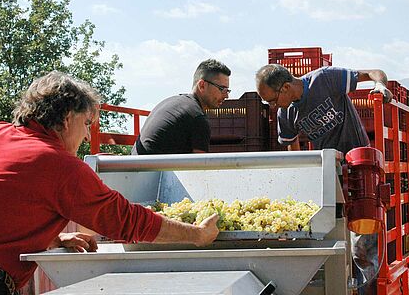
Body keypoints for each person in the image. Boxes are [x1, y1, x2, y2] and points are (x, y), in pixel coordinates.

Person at [0, 71, 219, 295]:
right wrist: (196, 234)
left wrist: (52, 239)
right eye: (87, 123)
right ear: (67, 119)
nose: (89, 136)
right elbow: (125, 220)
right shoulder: (58, 164)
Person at [255, 64, 393, 295]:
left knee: (364, 245)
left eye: (272, 100)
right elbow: (293, 147)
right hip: (330, 176)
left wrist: (380, 85)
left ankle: (365, 291)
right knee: (334, 239)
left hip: (360, 171)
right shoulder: (286, 113)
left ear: (286, 87)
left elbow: (373, 72)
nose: (273, 106)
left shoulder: (325, 79)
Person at [131, 59, 231, 155]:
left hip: (134, 167)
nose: (226, 96)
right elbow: (200, 168)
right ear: (202, 85)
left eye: (227, 90)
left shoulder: (172, 102)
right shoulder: (197, 117)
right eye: (222, 89)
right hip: (154, 171)